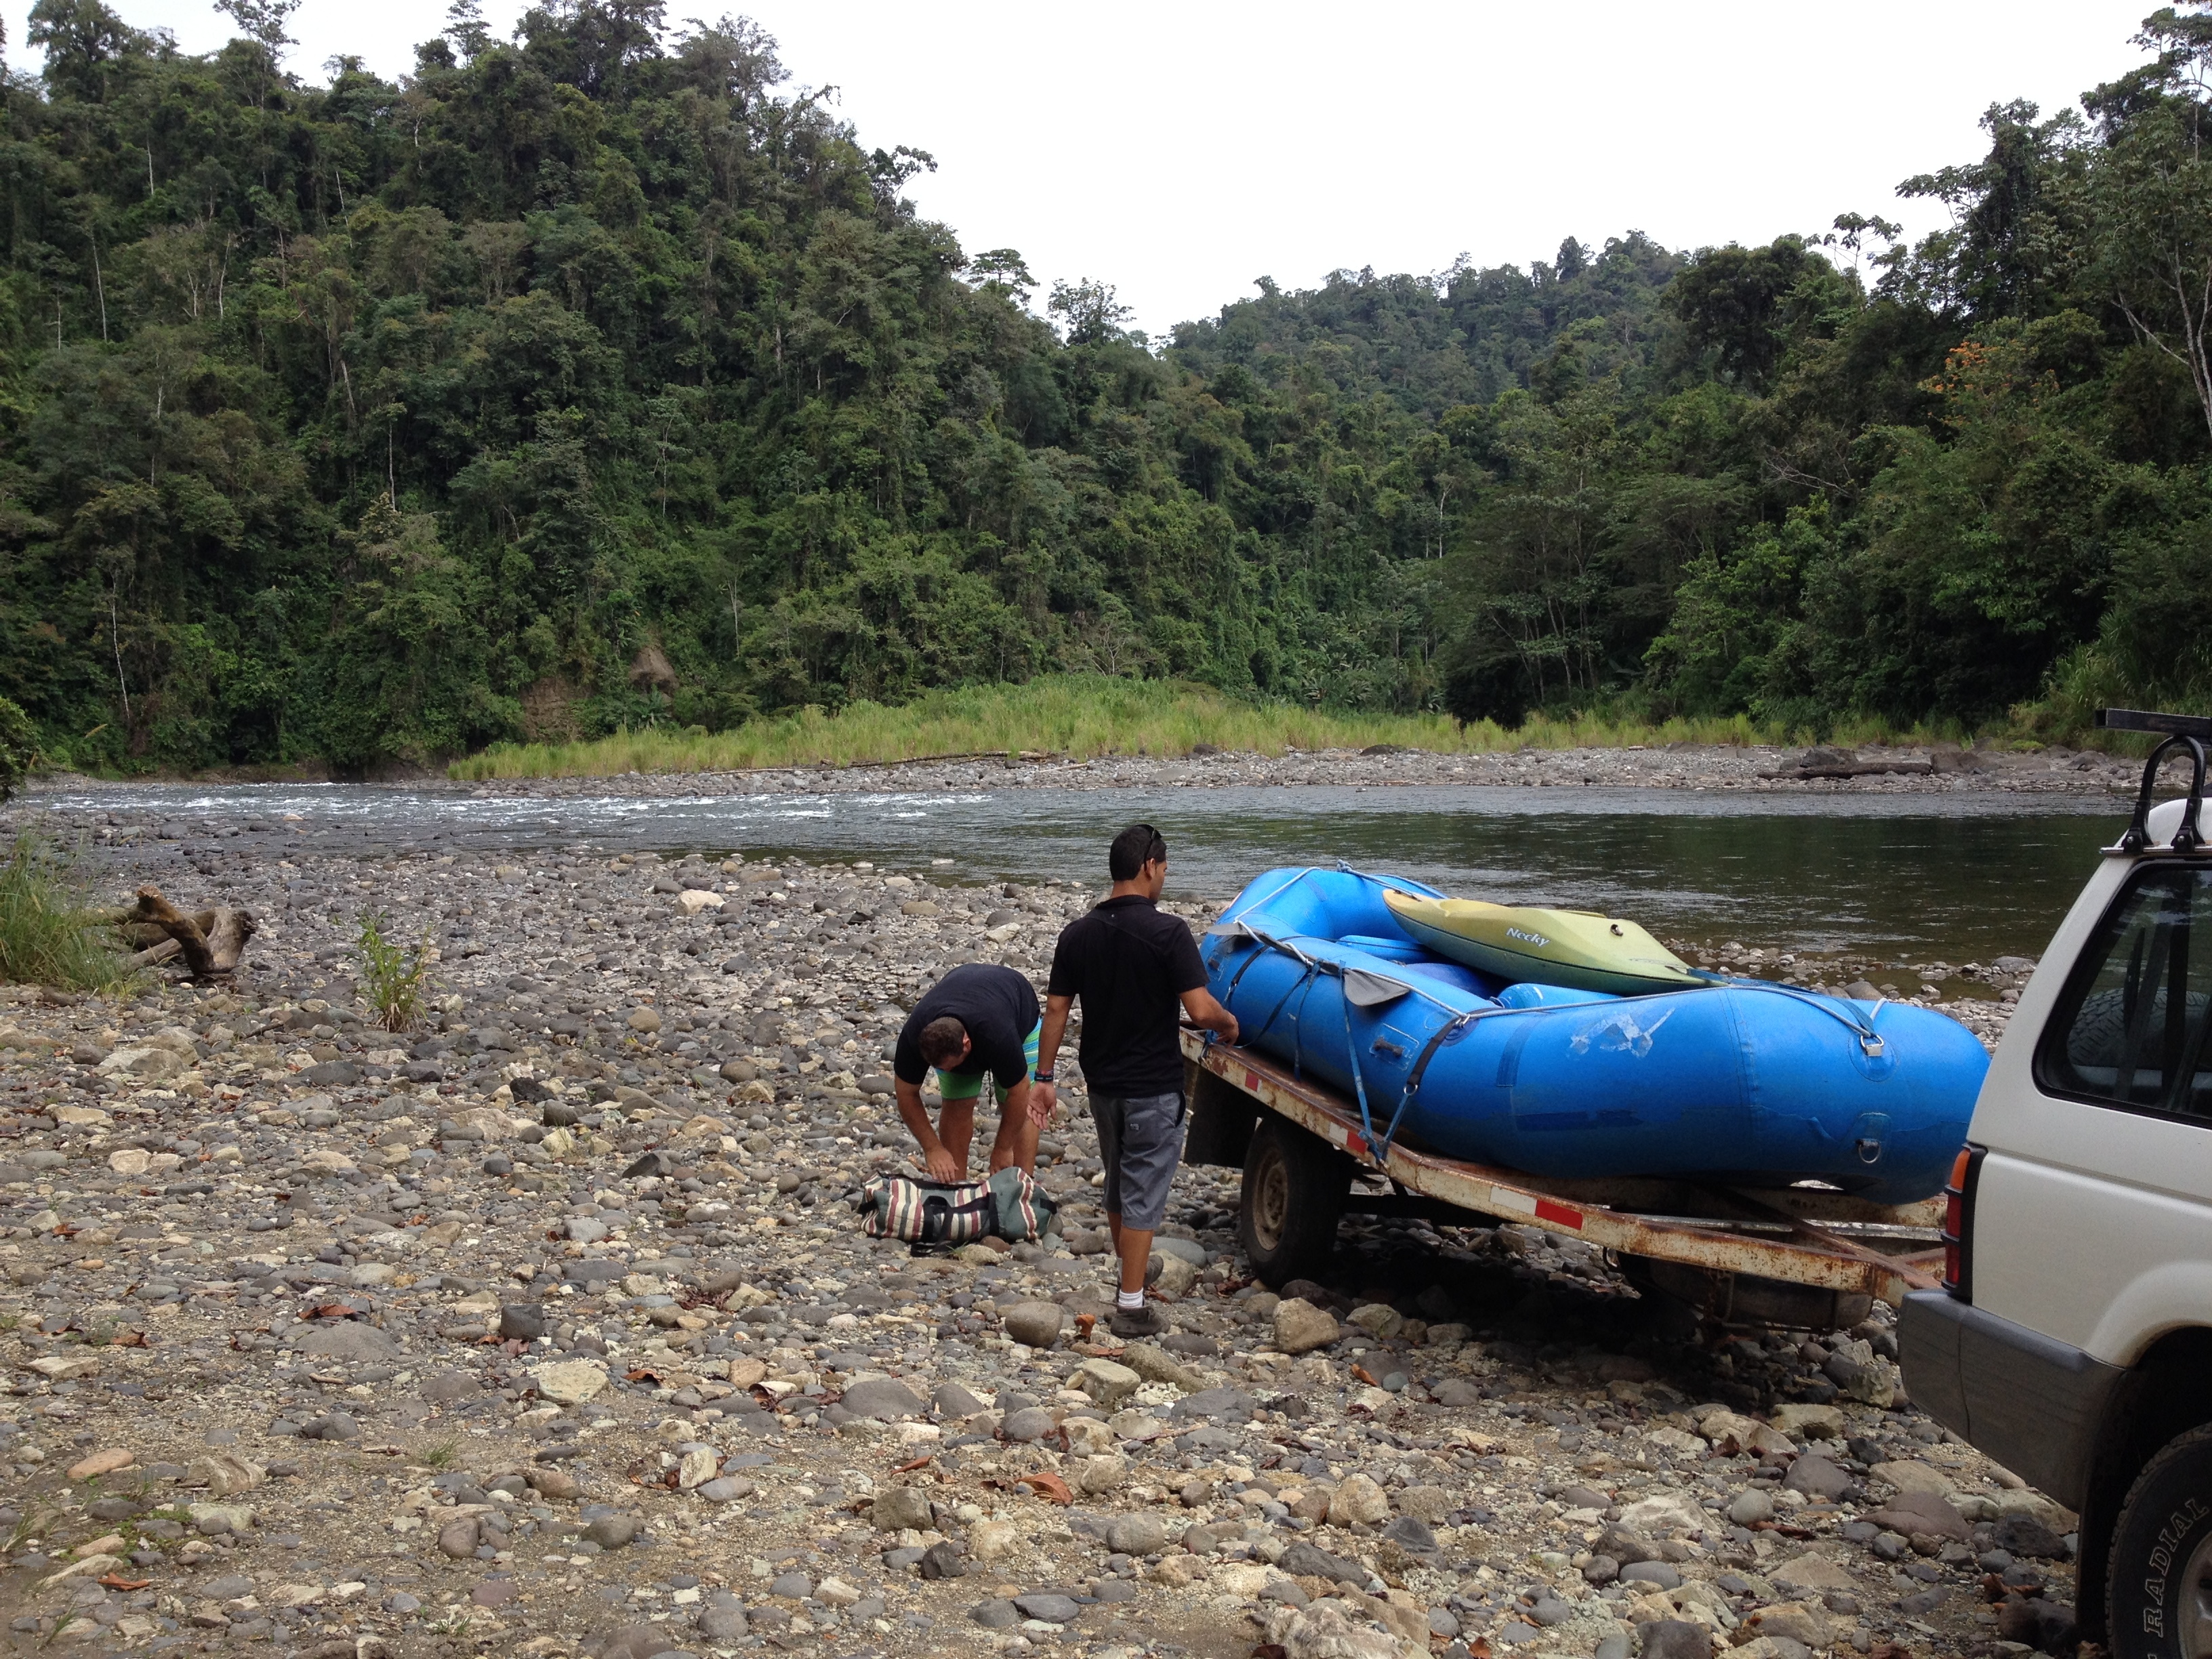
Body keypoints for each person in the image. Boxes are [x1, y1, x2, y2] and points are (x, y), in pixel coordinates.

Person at [1031, 823, 1239, 1338]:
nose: (1165, 879)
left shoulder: (1077, 935)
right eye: (1165, 869)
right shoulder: (1168, 933)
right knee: (1144, 1191)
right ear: (1149, 866)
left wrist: (1044, 1076)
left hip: (1103, 1084)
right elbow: (1198, 1008)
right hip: (1153, 1085)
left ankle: (1130, 1281)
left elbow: (1056, 1008)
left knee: (1121, 1187)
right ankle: (1130, 1305)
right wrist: (1229, 1023)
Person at [890, 961, 1043, 1183]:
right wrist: (933, 1148)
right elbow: (905, 1093)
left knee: (1013, 1104)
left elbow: (1019, 1093)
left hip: (1018, 1011)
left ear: (966, 1044)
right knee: (957, 1104)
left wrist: (1002, 1148)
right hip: (966, 999)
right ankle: (955, 1187)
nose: (946, 1072)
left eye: (950, 1066)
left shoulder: (997, 1034)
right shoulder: (916, 1035)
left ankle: (1023, 1185)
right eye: (939, 1069)